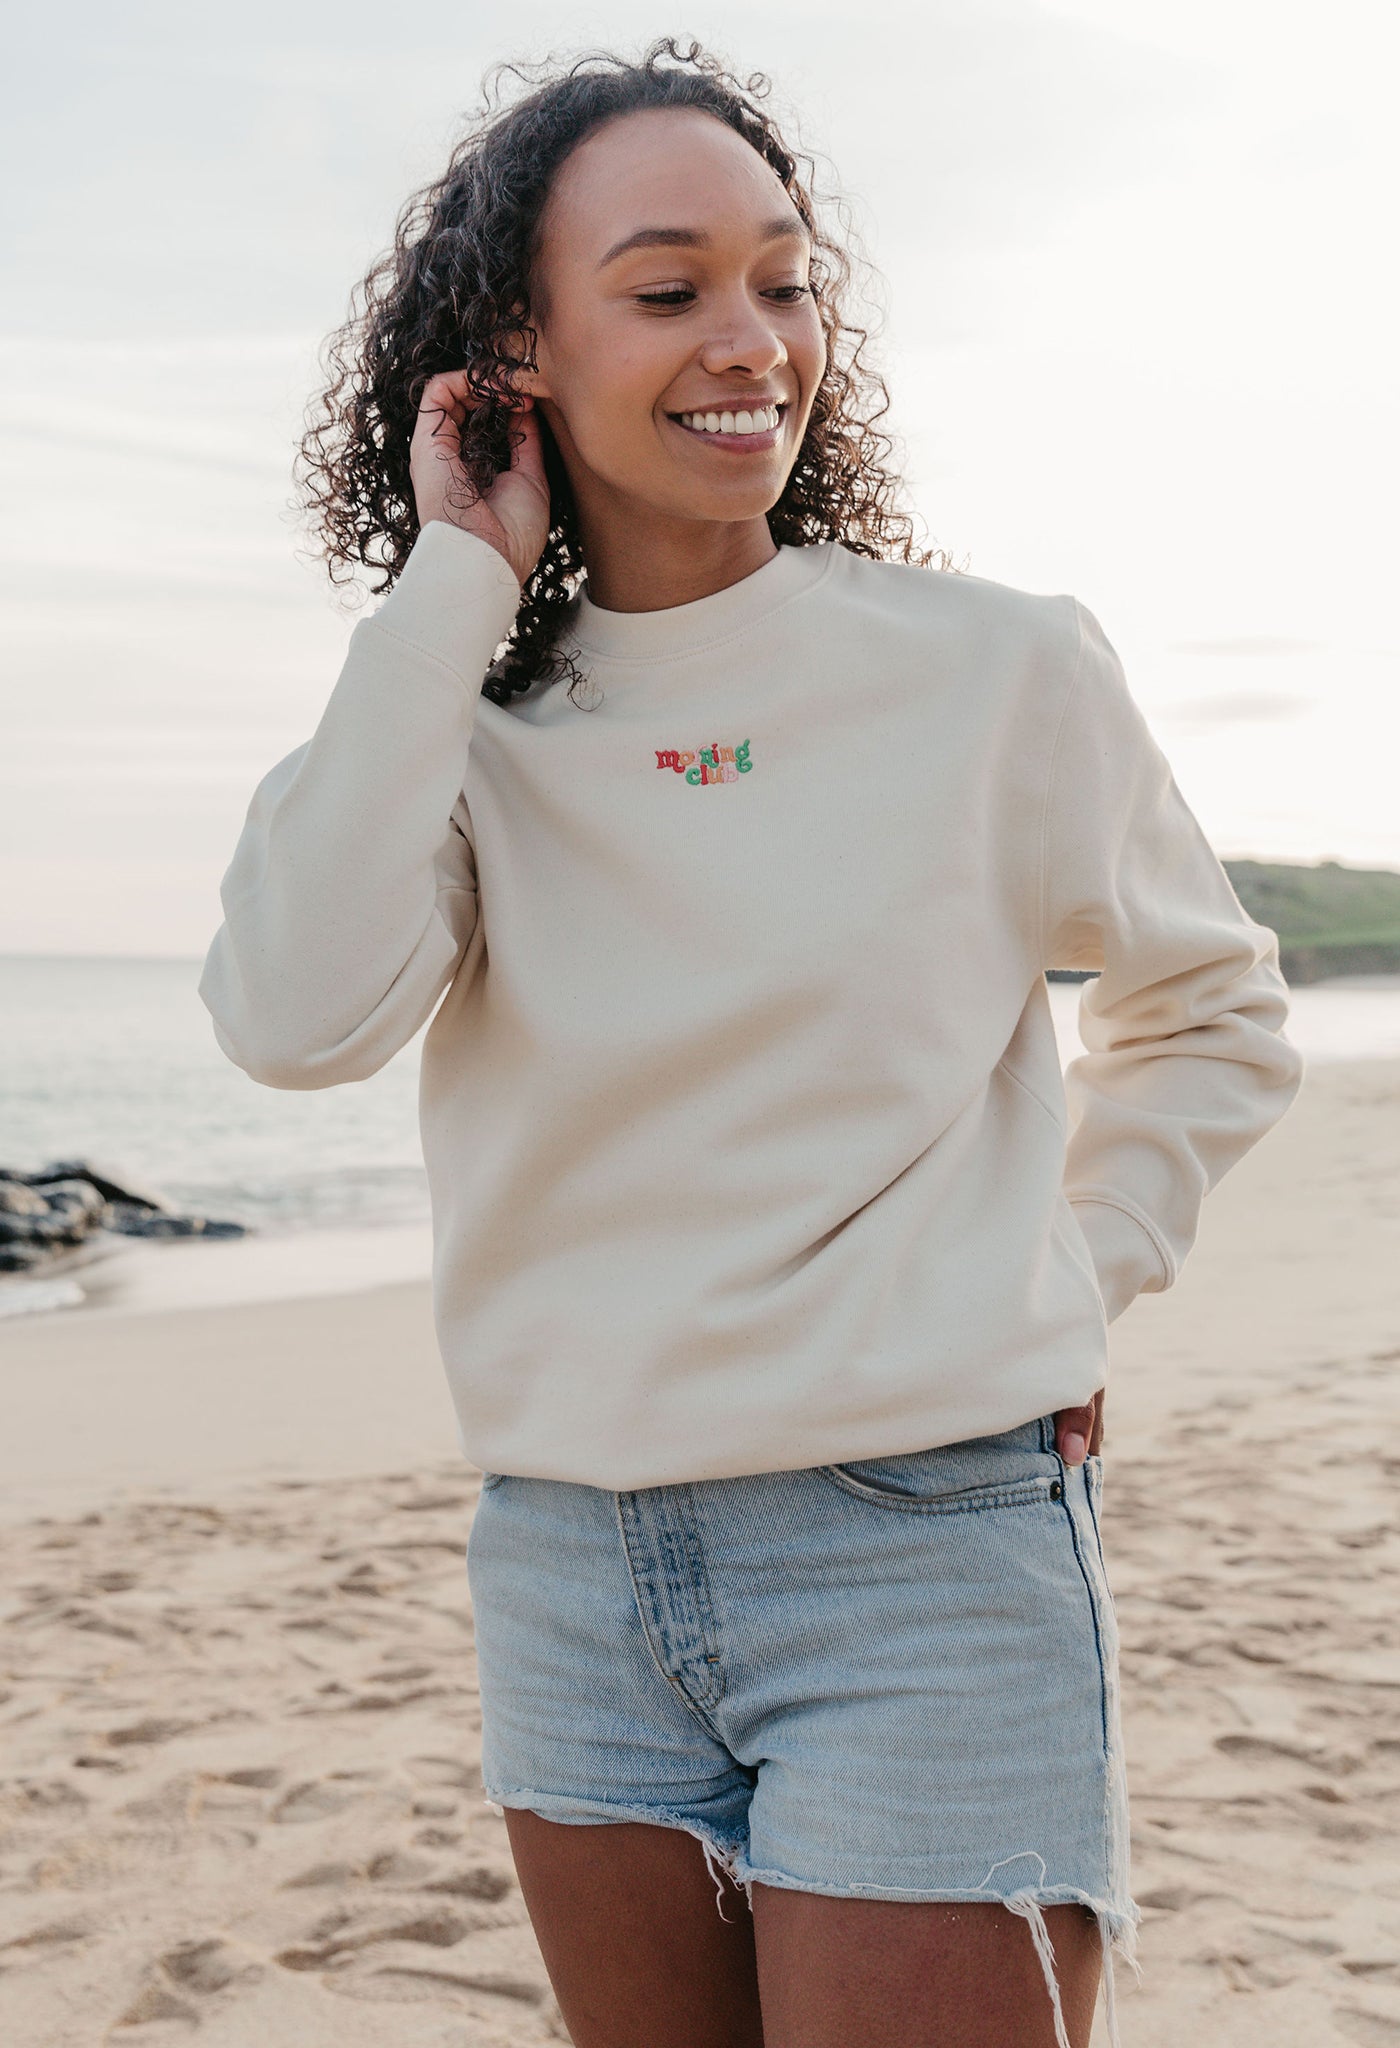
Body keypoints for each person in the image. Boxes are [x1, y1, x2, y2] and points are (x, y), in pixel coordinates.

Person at [198, 37, 1305, 2048]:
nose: (750, 340)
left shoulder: (994, 671)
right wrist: (458, 581)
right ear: (513, 348)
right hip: (565, 1567)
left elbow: (1213, 1005)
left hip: (920, 1552)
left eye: (784, 280)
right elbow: (286, 1015)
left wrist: (1079, 1264)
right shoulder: (454, 739)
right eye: (664, 286)